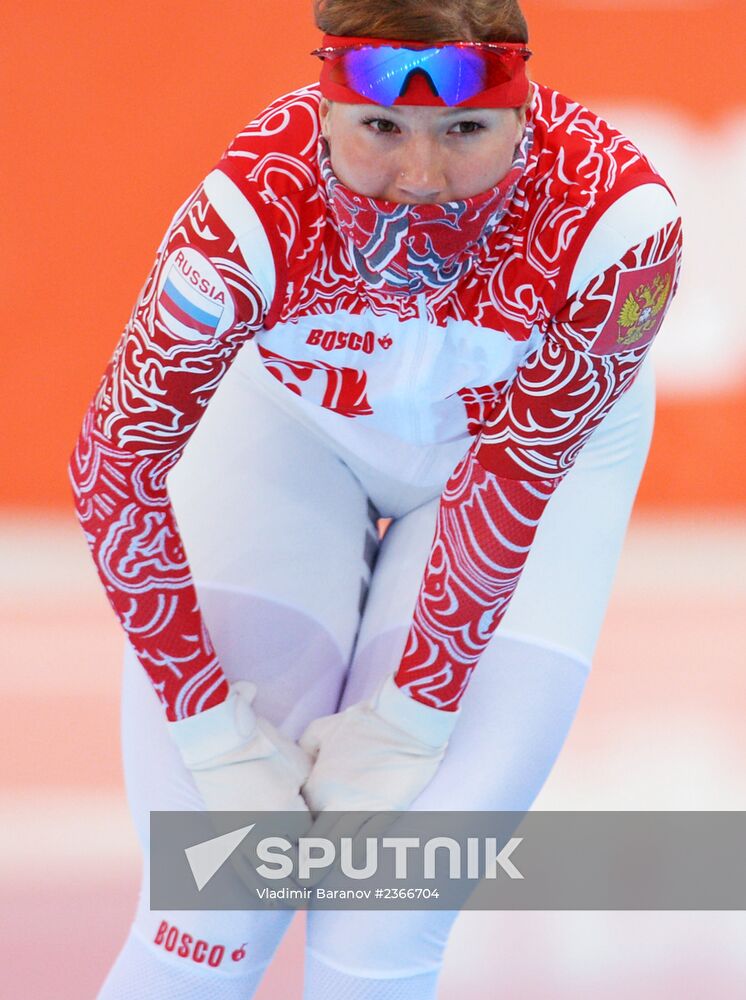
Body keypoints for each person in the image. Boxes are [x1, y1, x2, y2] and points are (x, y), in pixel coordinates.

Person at [69, 0, 682, 996]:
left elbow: (516, 475)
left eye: (466, 130)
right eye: (380, 129)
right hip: (293, 428)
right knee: (211, 901)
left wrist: (417, 712)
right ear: (322, 114)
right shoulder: (247, 218)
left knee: (384, 908)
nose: (422, 181)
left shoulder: (616, 224)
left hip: (516, 454)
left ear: (523, 117)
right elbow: (114, 463)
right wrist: (205, 727)